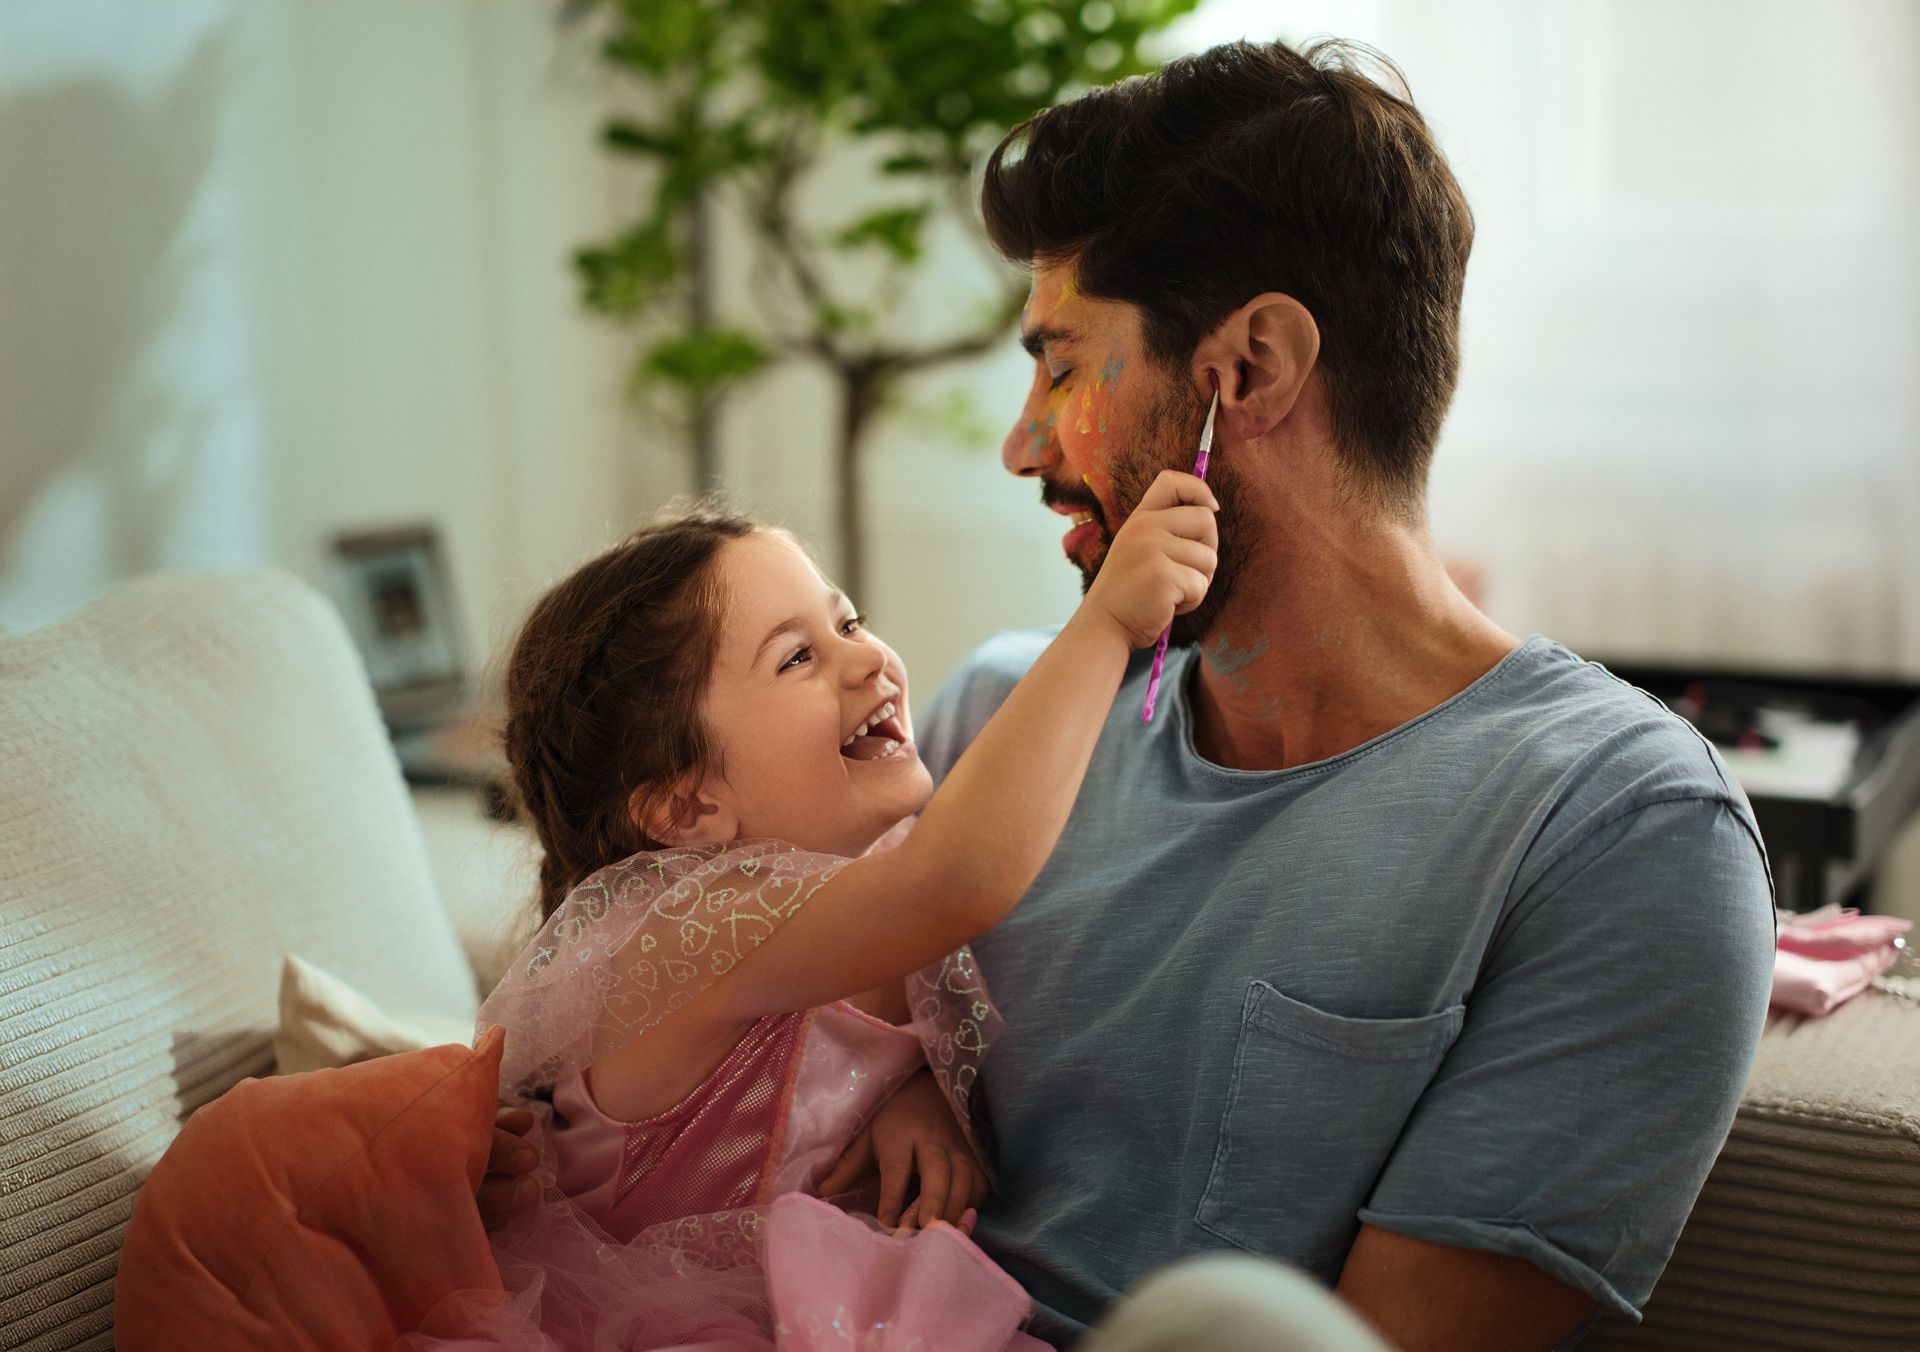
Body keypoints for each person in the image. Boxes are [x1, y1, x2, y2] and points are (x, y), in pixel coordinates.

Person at [484, 35, 1775, 1352]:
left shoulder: (1620, 836)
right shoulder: (992, 727)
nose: (1021, 442)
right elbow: (769, 1013)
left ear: (1250, 372)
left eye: (1059, 365)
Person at [410, 485, 1217, 1351]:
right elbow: (954, 881)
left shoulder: (862, 876)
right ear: (685, 809)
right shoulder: (675, 928)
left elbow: (842, 1030)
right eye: (797, 658)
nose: (867, 660)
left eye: (848, 622)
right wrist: (1104, 626)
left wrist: (905, 1094)